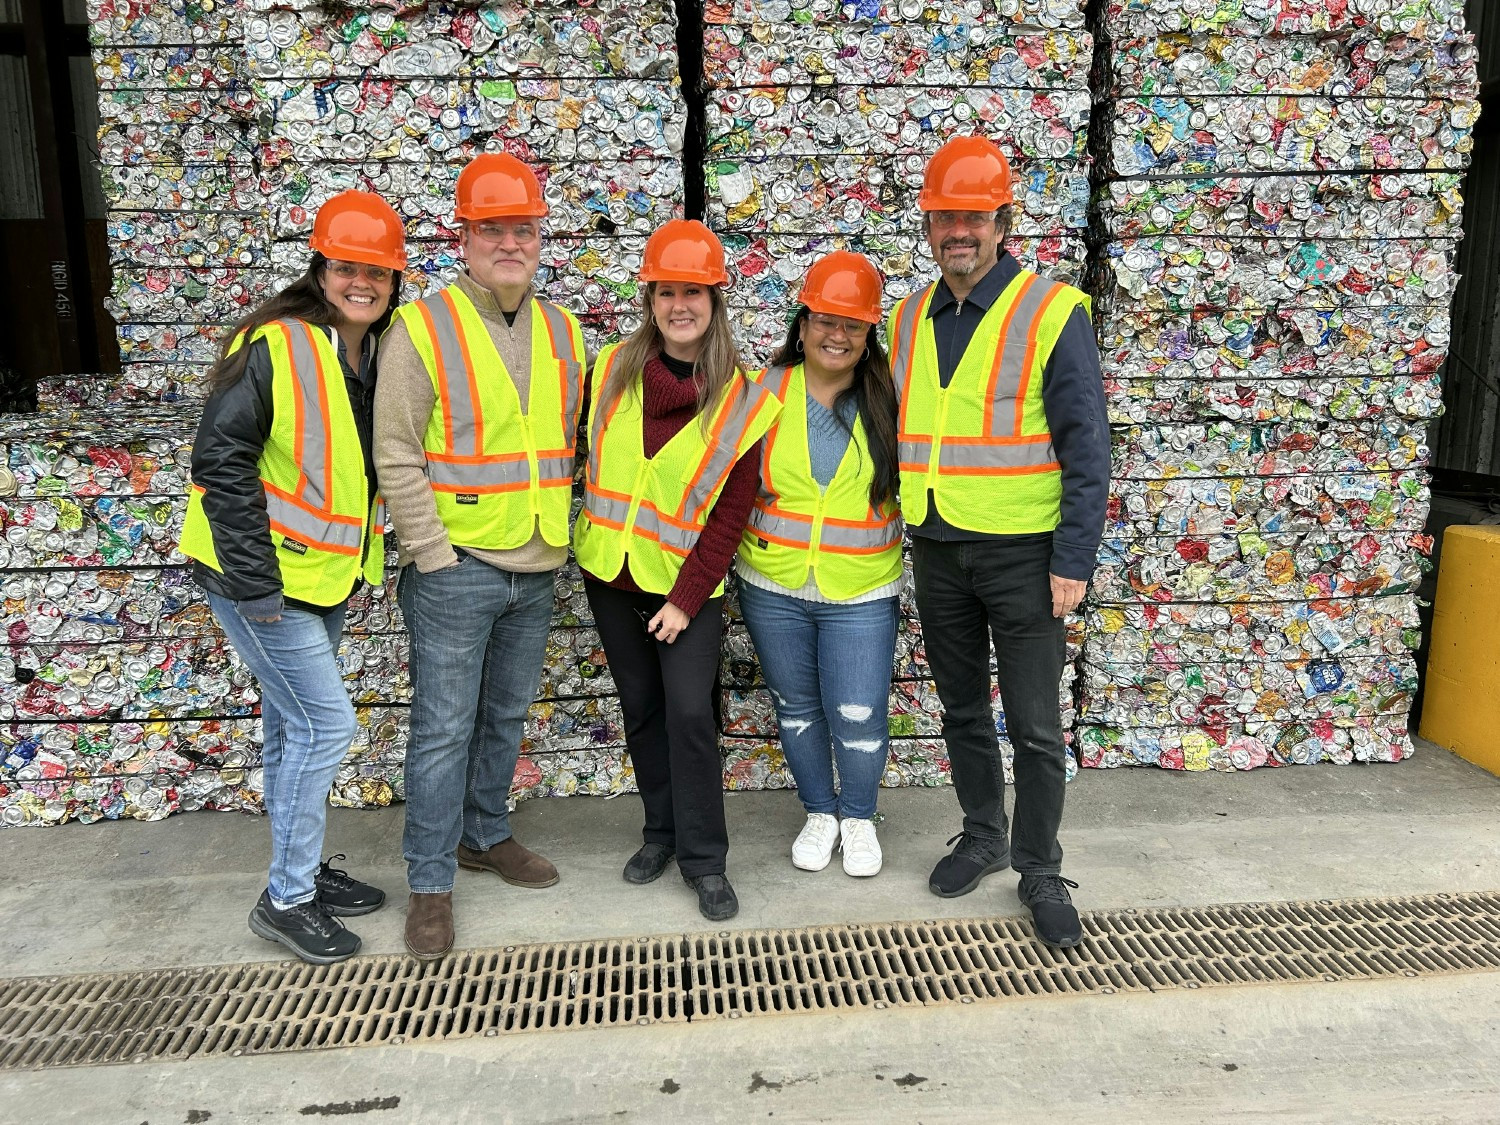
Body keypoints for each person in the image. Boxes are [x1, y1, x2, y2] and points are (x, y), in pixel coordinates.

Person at [887, 135, 1110, 947]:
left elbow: (1088, 443)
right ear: (928, 223)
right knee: (961, 711)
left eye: (973, 216)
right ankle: (982, 832)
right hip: (939, 545)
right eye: (944, 216)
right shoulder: (909, 317)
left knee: (1037, 724)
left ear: (1002, 221)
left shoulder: (1052, 311)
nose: (958, 231)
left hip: (1024, 556)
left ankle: (1039, 865)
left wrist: (1073, 558)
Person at [179, 190, 404, 963]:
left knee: (289, 727)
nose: (362, 282)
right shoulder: (280, 343)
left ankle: (299, 870)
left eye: (377, 271)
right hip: (262, 579)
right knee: (325, 726)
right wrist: (255, 582)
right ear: (321, 267)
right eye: (348, 267)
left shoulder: (368, 349)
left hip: (321, 575)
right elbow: (220, 459)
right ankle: (286, 898)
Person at [374, 154, 586, 960]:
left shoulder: (564, 330)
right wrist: (432, 554)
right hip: (457, 566)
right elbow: (395, 450)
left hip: (536, 562)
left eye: (521, 228)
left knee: (502, 715)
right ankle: (430, 881)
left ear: (539, 237)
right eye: (491, 228)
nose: (508, 242)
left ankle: (484, 833)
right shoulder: (421, 327)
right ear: (462, 238)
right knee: (441, 729)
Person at [573, 219, 781, 922]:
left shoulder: (742, 398)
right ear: (650, 299)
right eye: (666, 291)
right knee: (643, 712)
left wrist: (688, 599)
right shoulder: (609, 371)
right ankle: (659, 832)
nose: (679, 305)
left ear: (715, 299)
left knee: (691, 715)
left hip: (684, 592)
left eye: (693, 291)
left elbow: (731, 514)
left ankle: (705, 859)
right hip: (610, 575)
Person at [734, 252, 903, 877]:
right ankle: (819, 812)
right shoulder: (762, 391)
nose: (838, 335)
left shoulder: (891, 399)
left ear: (868, 335)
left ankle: (858, 815)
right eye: (825, 320)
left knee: (857, 710)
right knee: (796, 706)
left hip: (861, 590)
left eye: (853, 325)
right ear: (801, 324)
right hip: (772, 583)